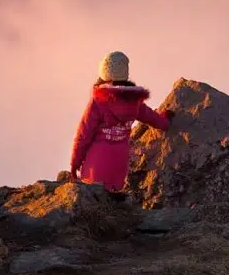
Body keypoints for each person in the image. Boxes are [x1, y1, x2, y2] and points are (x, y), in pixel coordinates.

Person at [70, 51, 172, 197]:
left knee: (95, 203)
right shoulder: (134, 101)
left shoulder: (98, 101)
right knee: (114, 202)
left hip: (96, 165)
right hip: (119, 164)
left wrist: (74, 164)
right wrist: (165, 119)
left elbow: (83, 136)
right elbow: (157, 121)